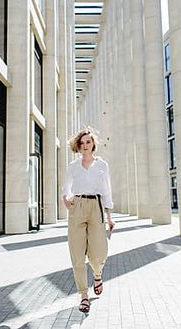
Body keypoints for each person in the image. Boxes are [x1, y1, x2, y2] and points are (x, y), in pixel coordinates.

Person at [62, 128, 115, 313]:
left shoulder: (102, 165)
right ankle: (84, 295)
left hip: (97, 207)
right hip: (77, 207)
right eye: (82, 142)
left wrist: (109, 217)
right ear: (78, 145)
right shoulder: (72, 166)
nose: (85, 145)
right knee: (77, 253)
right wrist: (67, 201)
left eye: (88, 142)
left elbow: (106, 190)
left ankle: (97, 275)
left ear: (93, 145)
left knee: (99, 251)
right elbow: (66, 188)